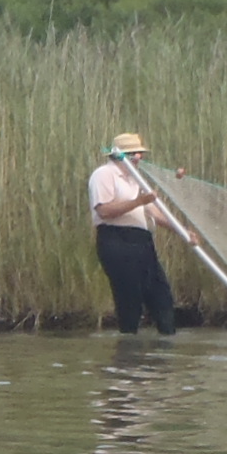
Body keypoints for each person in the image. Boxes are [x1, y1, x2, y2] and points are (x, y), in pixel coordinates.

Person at [89, 131, 178, 335]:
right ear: (124, 155)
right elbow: (104, 210)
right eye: (136, 153)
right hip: (116, 241)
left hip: (142, 242)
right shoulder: (104, 174)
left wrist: (180, 230)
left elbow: (152, 211)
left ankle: (165, 349)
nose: (140, 158)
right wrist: (139, 201)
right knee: (129, 300)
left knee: (161, 296)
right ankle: (128, 353)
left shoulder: (135, 180)